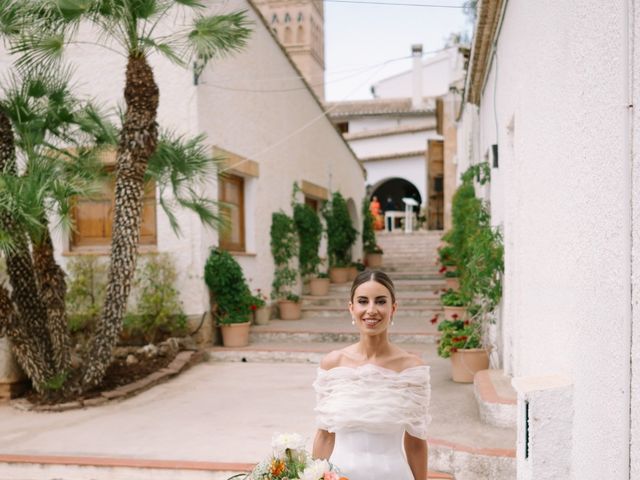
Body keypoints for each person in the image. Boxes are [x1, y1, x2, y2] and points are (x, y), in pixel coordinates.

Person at [312, 270, 430, 480]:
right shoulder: (332, 364)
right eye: (363, 301)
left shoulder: (411, 369)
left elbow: (415, 443)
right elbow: (324, 435)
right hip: (339, 476)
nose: (371, 310)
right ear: (352, 308)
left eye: (381, 301)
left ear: (393, 308)